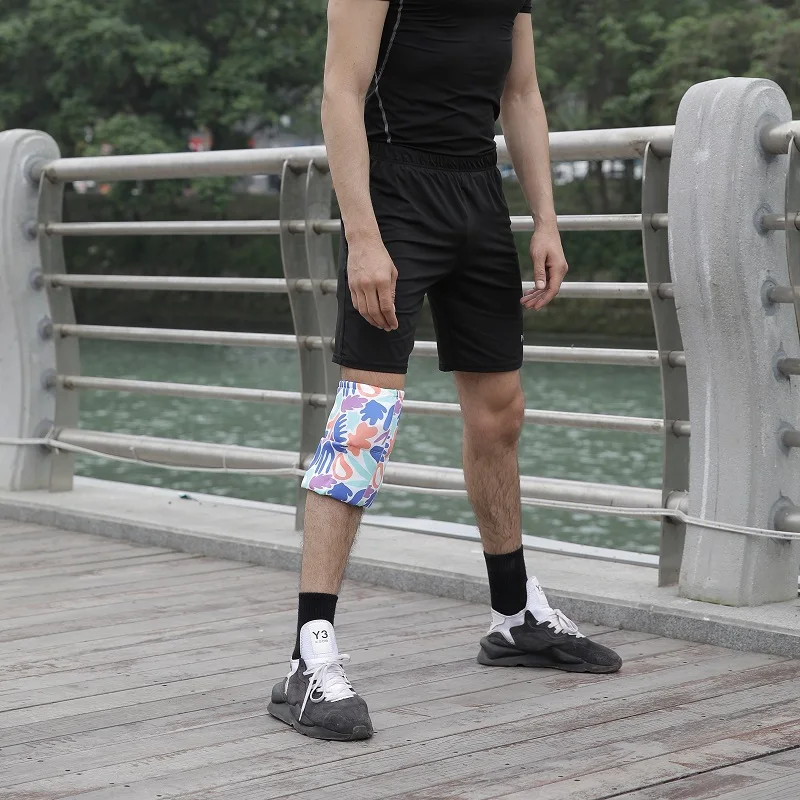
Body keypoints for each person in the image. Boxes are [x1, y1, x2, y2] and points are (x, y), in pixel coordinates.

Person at [268, 0, 622, 742]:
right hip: (394, 194)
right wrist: (363, 238)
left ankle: (514, 615)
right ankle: (308, 657)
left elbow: (520, 92)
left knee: (500, 412)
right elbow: (340, 90)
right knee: (364, 422)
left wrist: (546, 220)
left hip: (477, 196)